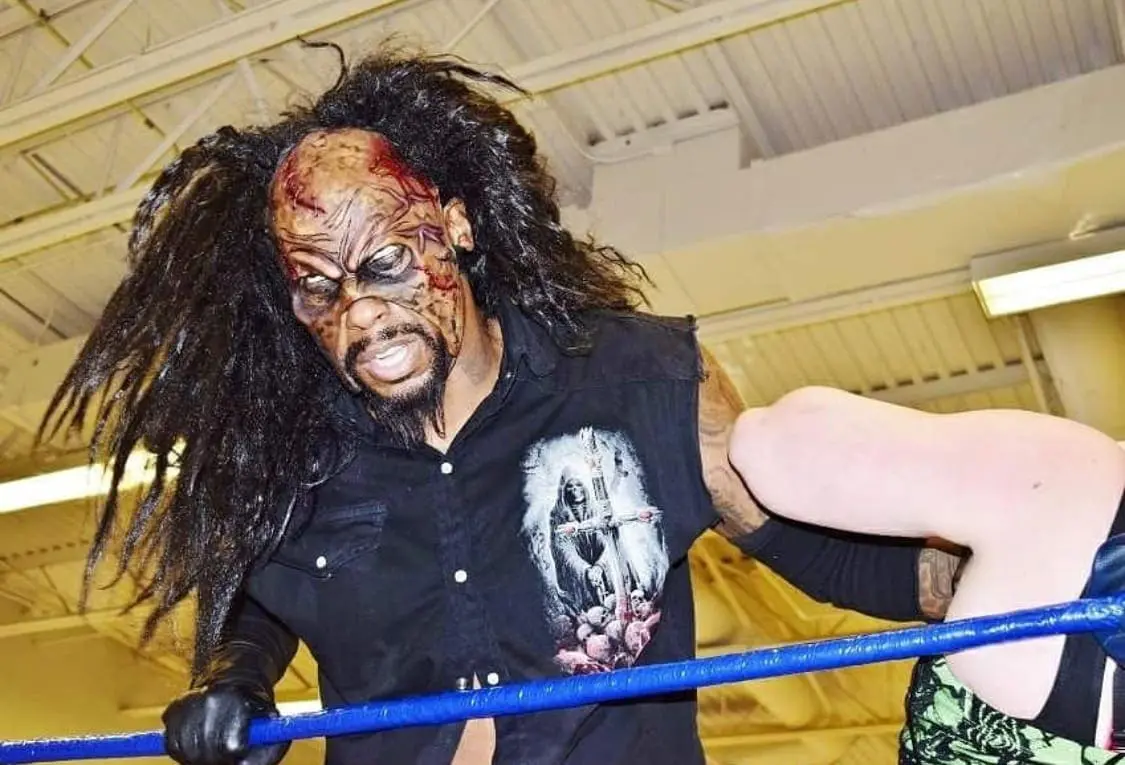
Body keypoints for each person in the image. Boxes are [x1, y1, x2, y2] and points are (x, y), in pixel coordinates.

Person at [41, 47, 965, 765]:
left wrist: (1000, 567)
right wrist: (234, 676)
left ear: (455, 224)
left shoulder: (636, 380)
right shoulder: (299, 455)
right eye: (318, 287)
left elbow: (805, 543)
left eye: (386, 264)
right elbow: (264, 597)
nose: (359, 316)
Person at [728, 385, 1125, 763]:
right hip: (1058, 690)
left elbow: (773, 445)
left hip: (1061, 684)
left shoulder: (1072, 484)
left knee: (1063, 476)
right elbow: (851, 567)